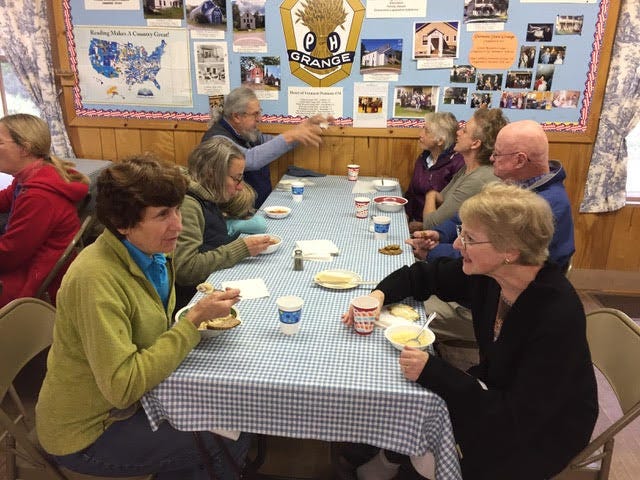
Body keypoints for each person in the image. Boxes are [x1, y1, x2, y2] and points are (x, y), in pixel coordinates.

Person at [341, 183, 598, 480]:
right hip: (498, 394)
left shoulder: (554, 315)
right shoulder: (493, 276)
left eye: (469, 238)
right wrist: (378, 295)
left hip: (541, 435)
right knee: (415, 393)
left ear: (510, 251)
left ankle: (398, 462)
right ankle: (389, 455)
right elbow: (424, 275)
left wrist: (436, 372)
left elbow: (518, 418)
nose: (457, 244)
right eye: (461, 232)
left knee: (428, 398)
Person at [35, 155, 251, 479]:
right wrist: (192, 322)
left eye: (177, 209)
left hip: (135, 402)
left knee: (233, 410)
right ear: (122, 223)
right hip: (90, 431)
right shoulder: (95, 279)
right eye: (162, 215)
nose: (178, 225)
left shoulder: (155, 253)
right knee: (227, 436)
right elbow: (123, 387)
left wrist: (191, 322)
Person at [408, 120, 575, 346]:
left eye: (497, 154)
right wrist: (438, 235)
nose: (492, 159)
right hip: (478, 284)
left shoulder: (543, 207)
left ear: (520, 160)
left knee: (405, 308)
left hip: (490, 305)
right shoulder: (515, 184)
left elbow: (485, 257)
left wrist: (432, 252)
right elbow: (466, 219)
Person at [0, 113, 89, 307]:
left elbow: (9, 255)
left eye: (0, 142)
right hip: (31, 264)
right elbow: (6, 199)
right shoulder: (36, 174)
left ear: (24, 148)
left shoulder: (38, 196)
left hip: (36, 280)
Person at [174, 137, 272, 310]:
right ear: (212, 174)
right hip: (192, 300)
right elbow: (185, 270)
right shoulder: (189, 205)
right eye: (236, 179)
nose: (240, 187)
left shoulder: (207, 195)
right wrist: (241, 248)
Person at [202, 86, 332, 207]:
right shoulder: (216, 139)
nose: (260, 118)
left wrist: (302, 132)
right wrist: (291, 135)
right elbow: (249, 159)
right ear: (236, 116)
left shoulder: (245, 132)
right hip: (235, 213)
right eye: (255, 114)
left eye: (260, 112)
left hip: (259, 206)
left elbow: (271, 144)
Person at [408, 108, 508, 233]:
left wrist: (430, 195)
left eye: (464, 131)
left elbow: (431, 224)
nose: (458, 132)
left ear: (475, 144)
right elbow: (442, 199)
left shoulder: (478, 179)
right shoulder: (467, 168)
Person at [404, 112, 465, 223]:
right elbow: (411, 193)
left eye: (426, 131)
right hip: (413, 221)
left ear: (440, 141)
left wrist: (422, 225)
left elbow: (452, 209)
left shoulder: (457, 164)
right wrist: (406, 216)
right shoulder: (423, 157)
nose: (420, 134)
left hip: (436, 227)